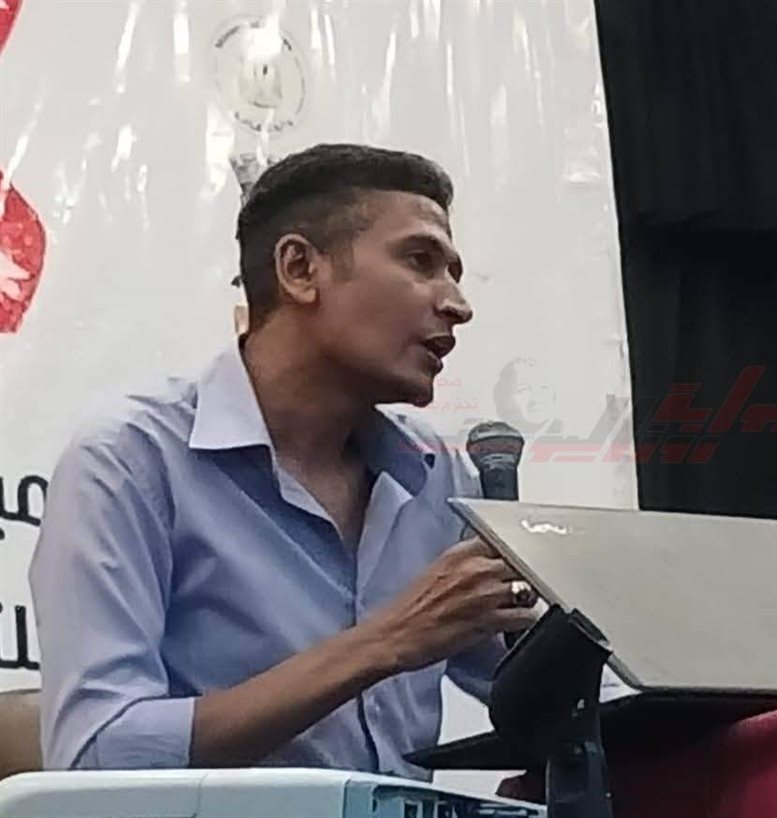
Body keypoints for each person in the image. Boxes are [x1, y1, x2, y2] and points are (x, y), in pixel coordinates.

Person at [29, 144, 540, 775]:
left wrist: (579, 746)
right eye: (420, 261)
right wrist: (388, 642)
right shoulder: (130, 460)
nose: (457, 305)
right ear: (300, 270)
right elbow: (98, 751)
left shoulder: (440, 475)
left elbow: (551, 697)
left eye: (455, 273)